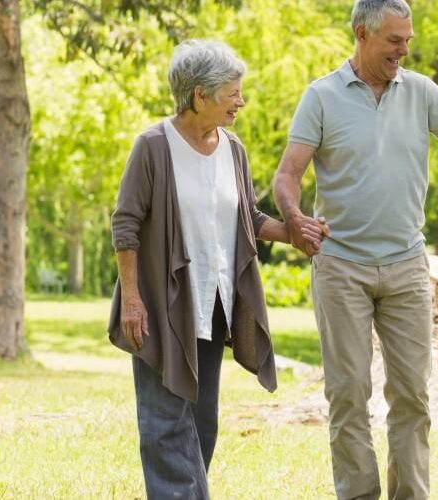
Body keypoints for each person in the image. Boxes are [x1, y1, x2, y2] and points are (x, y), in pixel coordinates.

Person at [269, 1, 438, 498]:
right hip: (341, 266)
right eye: (394, 41)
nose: (404, 50)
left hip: (405, 265)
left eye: (409, 40)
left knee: (413, 397)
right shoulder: (321, 97)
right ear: (362, 33)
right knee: (348, 394)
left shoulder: (420, 92)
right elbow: (287, 175)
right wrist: (294, 219)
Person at [108, 40, 326, 499]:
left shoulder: (233, 149)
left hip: (215, 303)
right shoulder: (152, 146)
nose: (240, 102)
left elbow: (248, 216)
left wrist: (295, 232)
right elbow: (125, 225)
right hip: (162, 305)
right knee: (165, 422)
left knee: (202, 422)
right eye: (232, 93)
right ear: (199, 95)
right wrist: (131, 298)